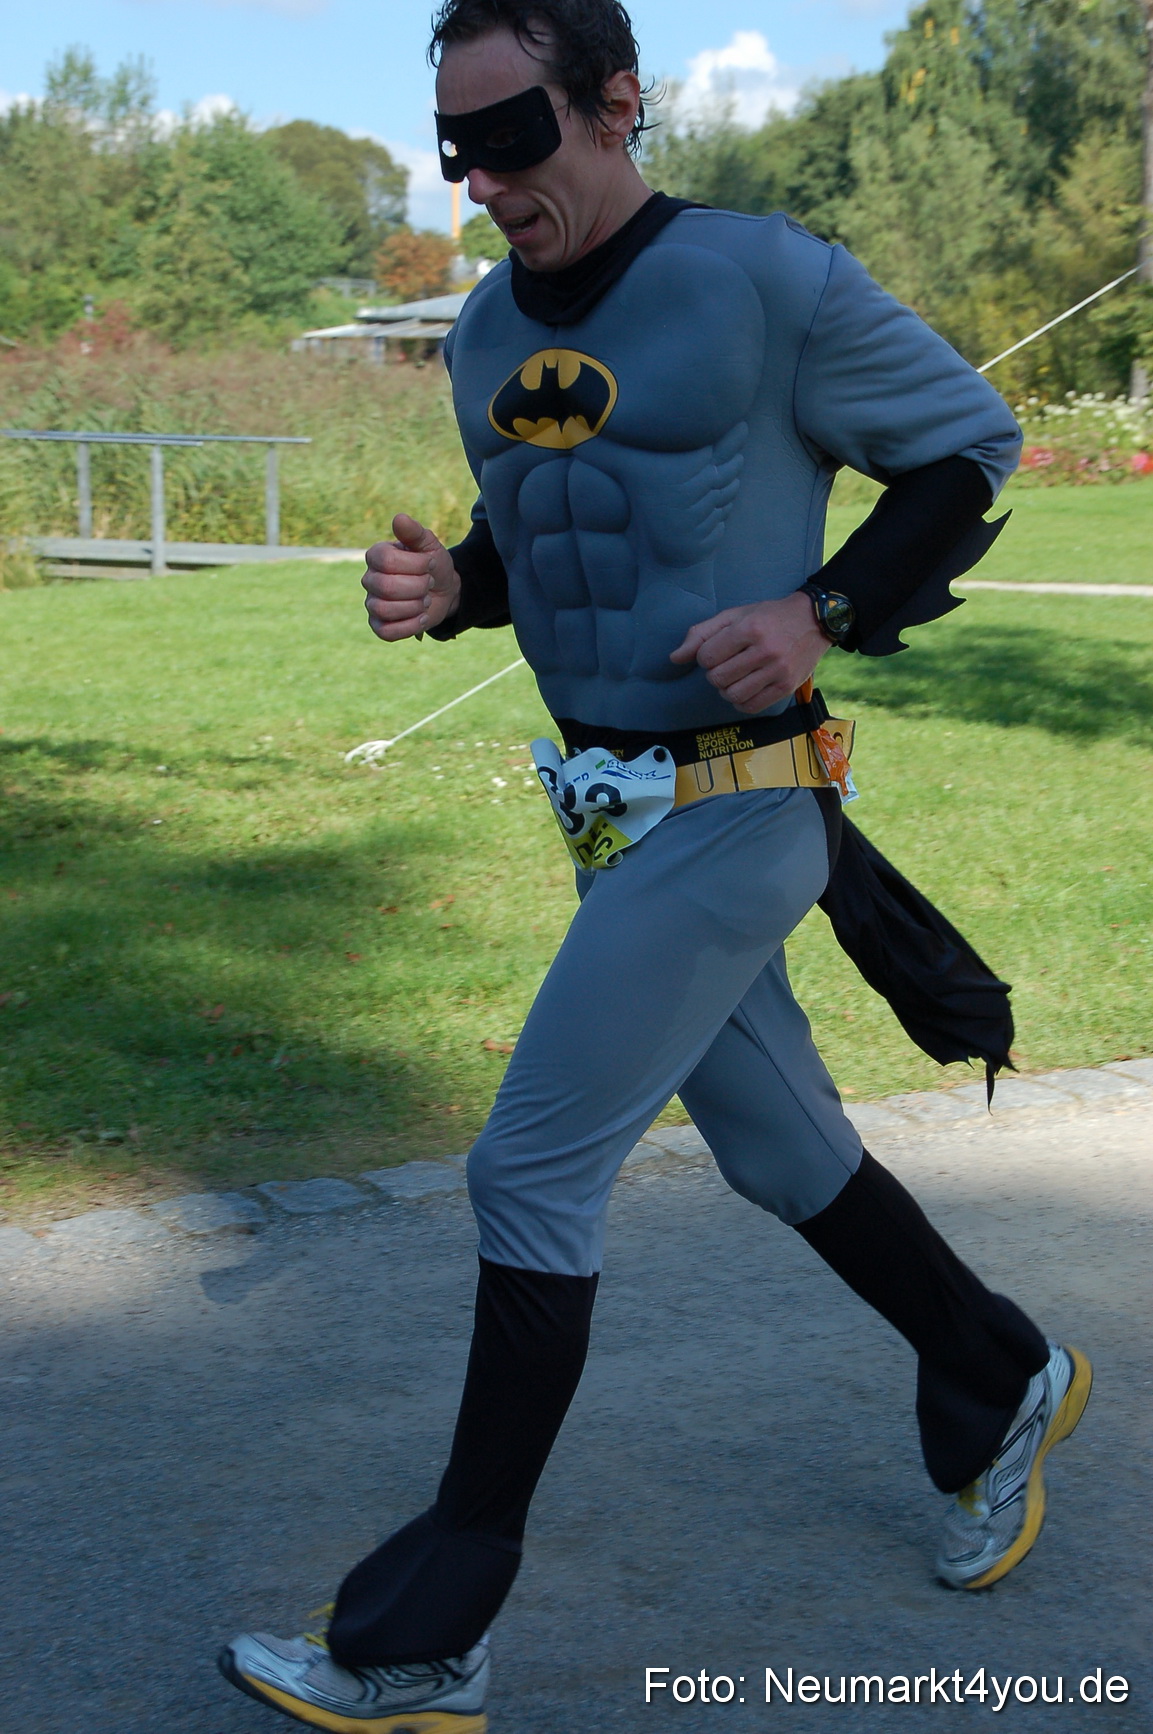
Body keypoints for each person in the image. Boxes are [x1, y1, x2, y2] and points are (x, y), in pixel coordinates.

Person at [219, 3, 1091, 1727]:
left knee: (526, 1174)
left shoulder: (766, 280)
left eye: (514, 137)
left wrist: (818, 608)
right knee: (784, 1152)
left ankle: (432, 1624)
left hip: (744, 806)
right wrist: (444, 591)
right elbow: (541, 539)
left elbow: (970, 448)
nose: (482, 182)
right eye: (455, 148)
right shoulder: (476, 333)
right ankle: (997, 1375)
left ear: (617, 105)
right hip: (609, 816)